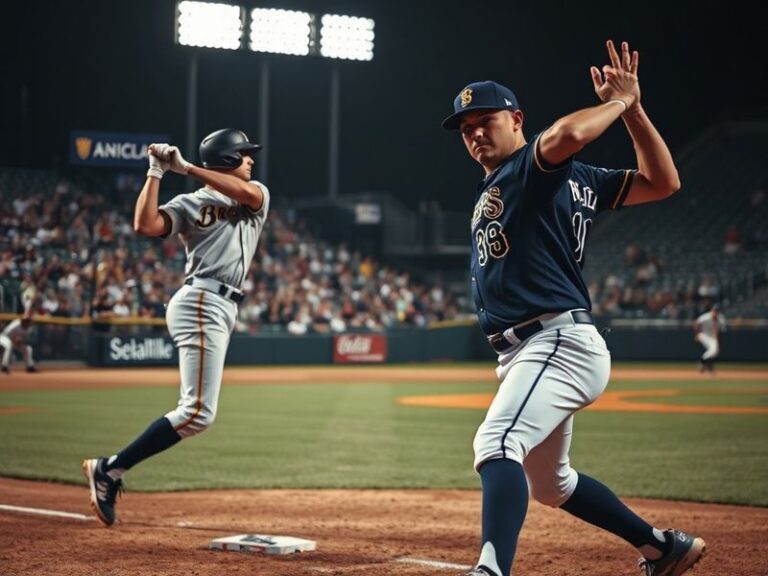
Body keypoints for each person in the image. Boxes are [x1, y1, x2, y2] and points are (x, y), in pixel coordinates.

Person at [442, 40, 705, 576]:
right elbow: (662, 182)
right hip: (533, 350)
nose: (473, 133)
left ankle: (490, 570)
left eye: (483, 120)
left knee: (497, 442)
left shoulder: (530, 168)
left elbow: (568, 137)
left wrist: (625, 105)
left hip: (555, 341)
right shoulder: (562, 181)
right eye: (464, 127)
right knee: (551, 484)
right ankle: (662, 548)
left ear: (516, 120)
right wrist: (629, 108)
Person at [82, 128, 270, 526]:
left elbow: (247, 196)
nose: (251, 160)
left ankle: (110, 469)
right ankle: (110, 469)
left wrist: (185, 167)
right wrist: (155, 173)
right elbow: (146, 225)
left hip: (219, 304)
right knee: (199, 412)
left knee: (198, 411)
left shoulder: (256, 193)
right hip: (201, 299)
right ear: (227, 158)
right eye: (244, 154)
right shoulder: (191, 201)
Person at [694, 304, 725, 374]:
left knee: (715, 352)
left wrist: (717, 340)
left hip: (712, 337)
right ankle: (708, 366)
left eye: (717, 311)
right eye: (714, 310)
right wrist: (696, 335)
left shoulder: (720, 319)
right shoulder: (706, 317)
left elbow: (718, 330)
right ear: (712, 310)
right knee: (712, 350)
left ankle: (703, 363)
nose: (715, 312)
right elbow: (697, 323)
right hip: (703, 335)